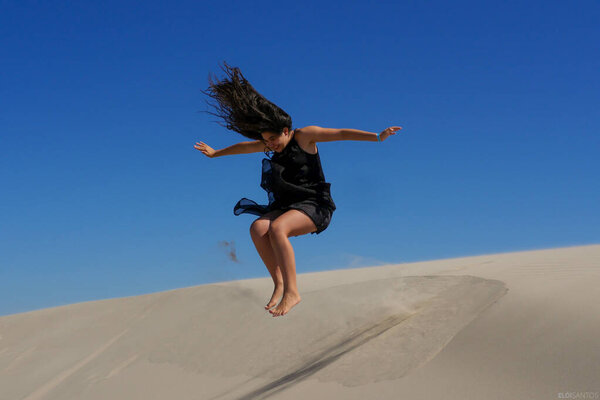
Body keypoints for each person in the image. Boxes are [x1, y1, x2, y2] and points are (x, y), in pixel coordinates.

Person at [194, 61, 402, 317]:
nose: (269, 144)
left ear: (286, 131)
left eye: (273, 139)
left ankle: (293, 292)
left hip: (315, 205)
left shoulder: (305, 136)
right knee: (258, 228)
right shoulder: (271, 144)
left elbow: (339, 133)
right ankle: (279, 283)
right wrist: (215, 153)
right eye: (266, 141)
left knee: (278, 228)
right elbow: (244, 146)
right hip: (287, 204)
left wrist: (377, 136)